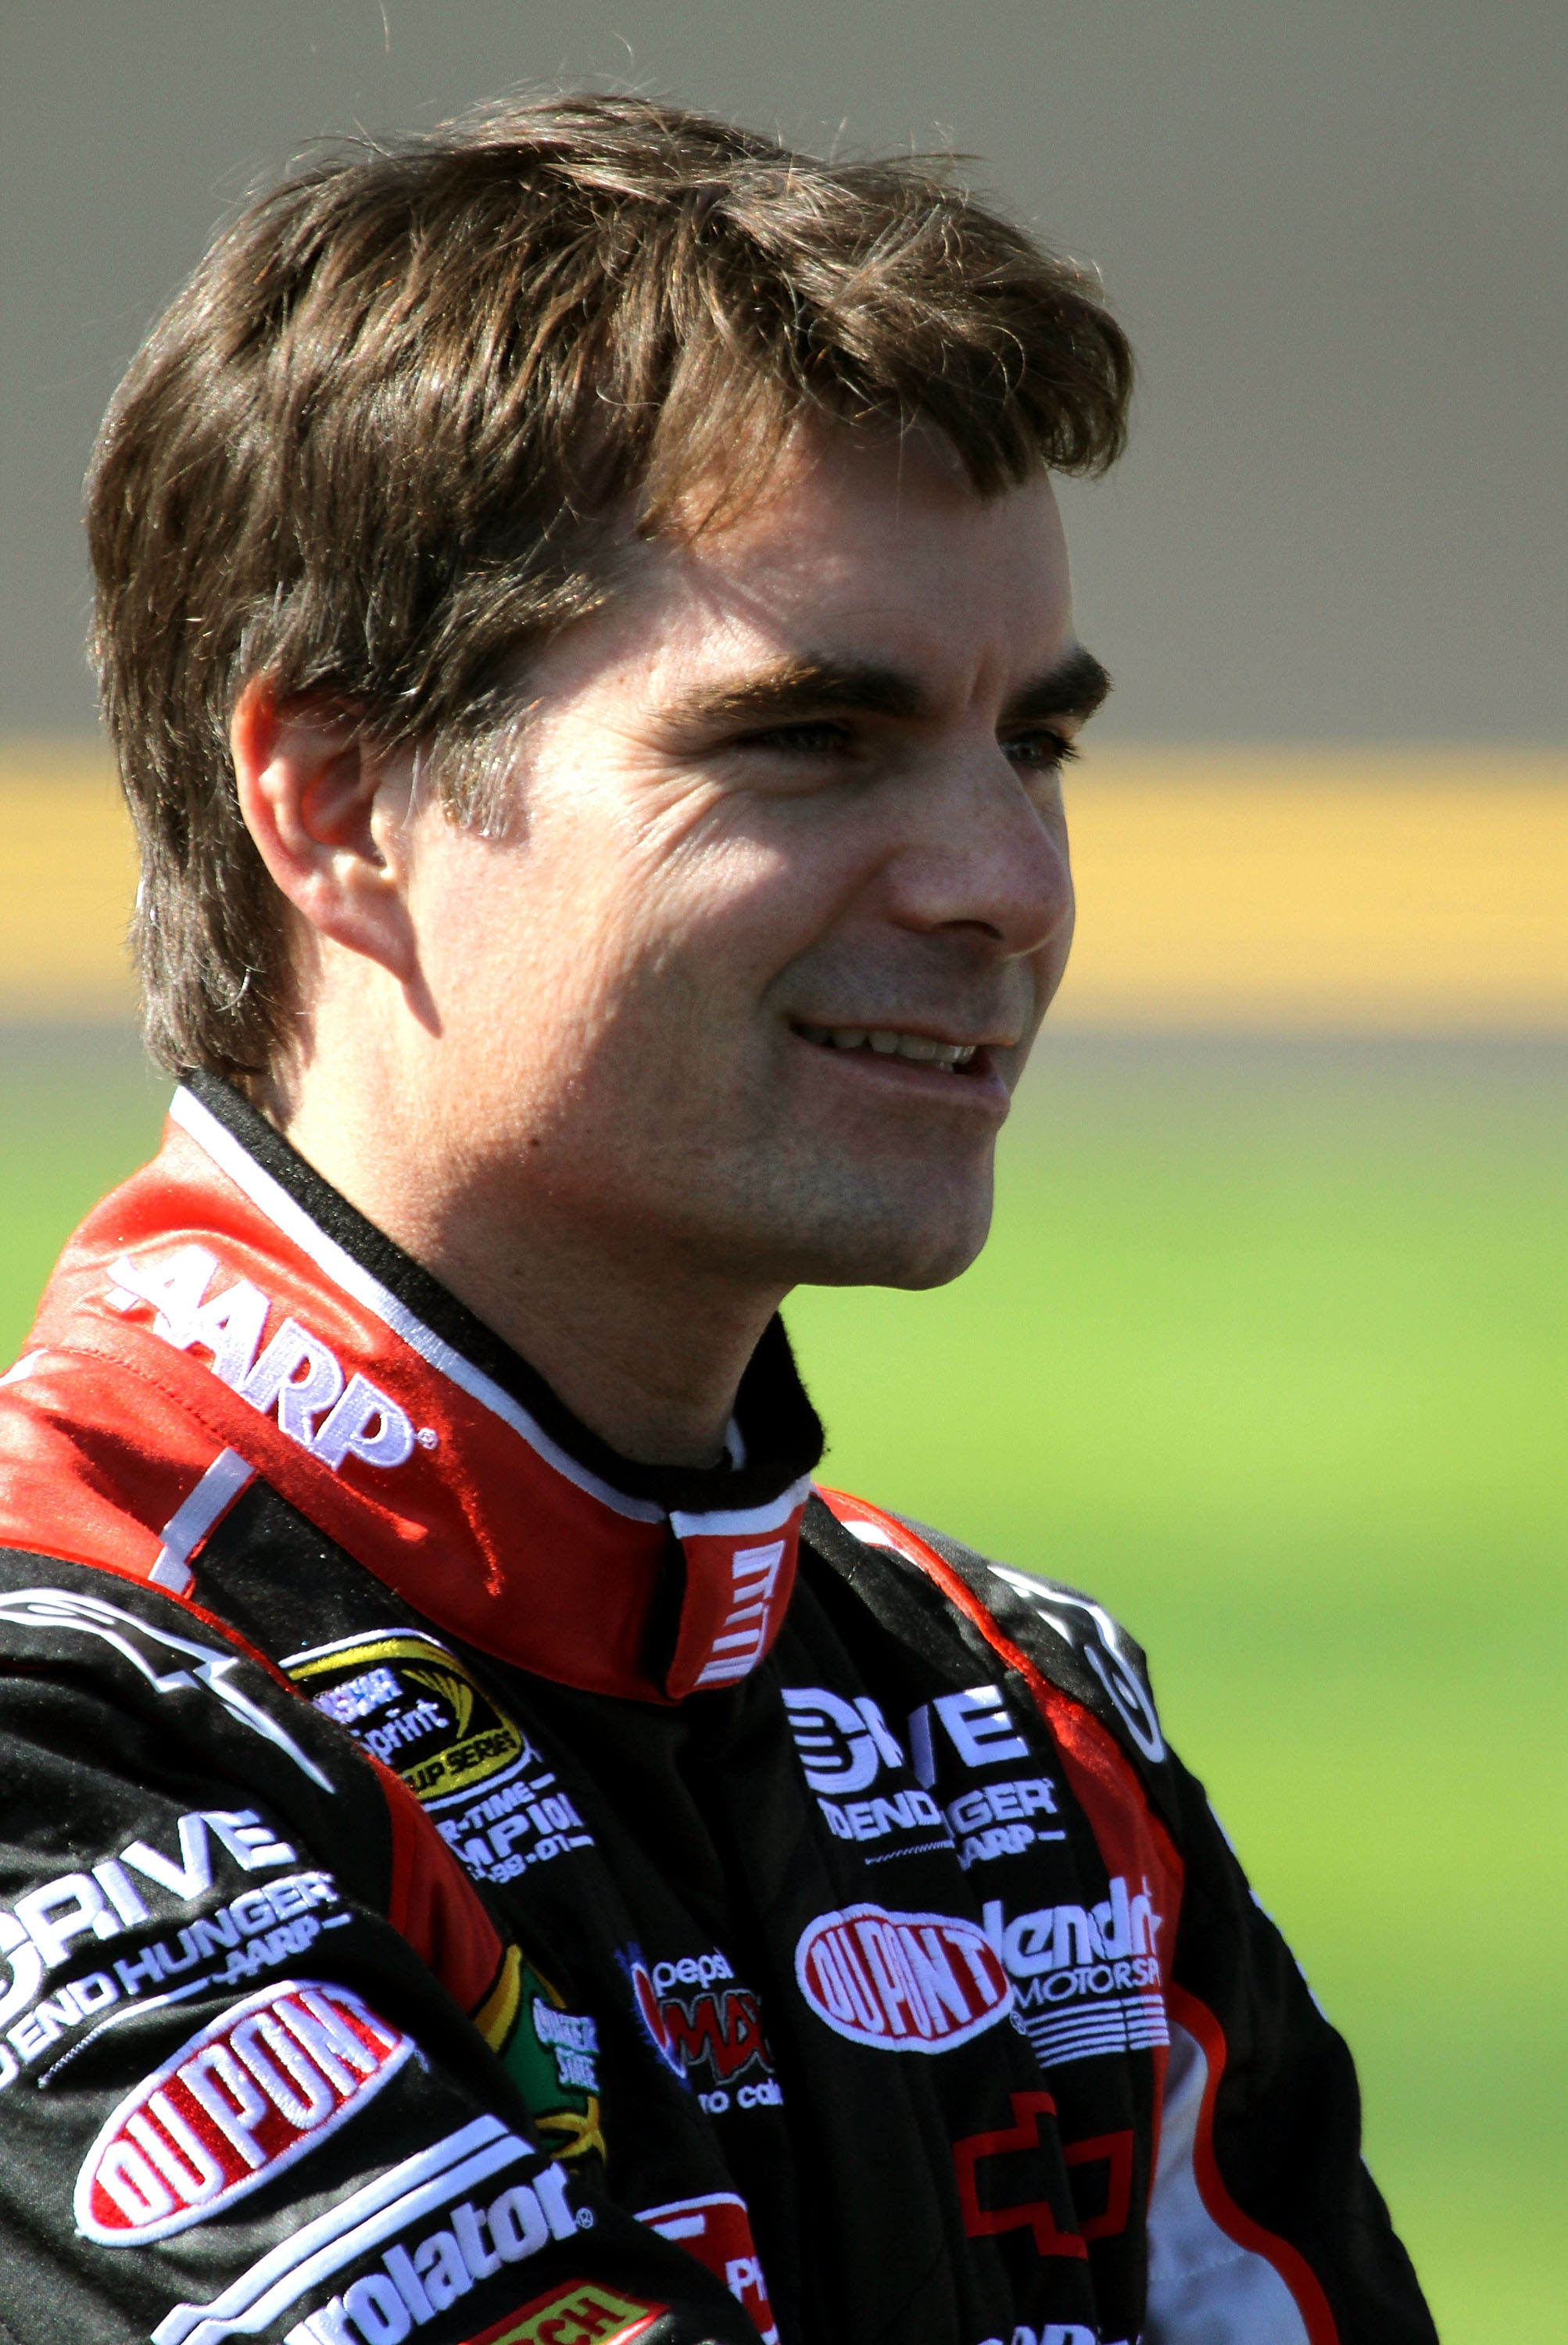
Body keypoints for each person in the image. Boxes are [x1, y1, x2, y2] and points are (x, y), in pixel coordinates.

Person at [0, 93, 1434, 2345]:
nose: (1004, 885)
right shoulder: (60, 1714)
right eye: (809, 742)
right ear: (337, 795)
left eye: (1029, 747)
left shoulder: (1018, 1730)